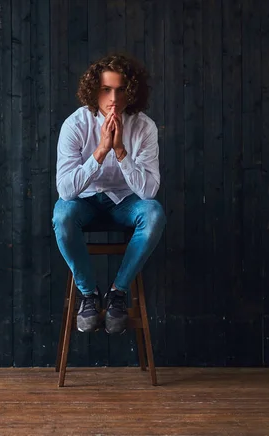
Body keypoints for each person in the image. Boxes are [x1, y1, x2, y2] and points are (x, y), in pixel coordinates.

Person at [52, 53, 166, 335]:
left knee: (154, 214)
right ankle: (88, 295)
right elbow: (66, 190)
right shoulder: (75, 125)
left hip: (125, 203)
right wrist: (101, 151)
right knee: (62, 214)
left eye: (121, 89)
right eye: (106, 89)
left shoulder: (144, 127)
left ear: (132, 92)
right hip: (86, 202)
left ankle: (117, 292)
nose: (113, 98)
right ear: (94, 91)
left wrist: (119, 151)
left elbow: (149, 192)